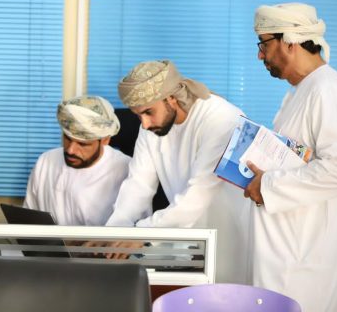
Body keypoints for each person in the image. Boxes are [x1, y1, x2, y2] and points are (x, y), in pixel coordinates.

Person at [246, 3, 337, 311]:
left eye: (263, 44)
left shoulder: (327, 90)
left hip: (309, 260)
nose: (260, 55)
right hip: (291, 251)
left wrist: (268, 186)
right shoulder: (302, 91)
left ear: (289, 41)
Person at [105, 60, 251, 283]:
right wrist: (112, 234)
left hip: (232, 236)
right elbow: (138, 185)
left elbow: (197, 196)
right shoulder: (151, 127)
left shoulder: (222, 119)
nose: (144, 124)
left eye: (148, 112)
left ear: (171, 98)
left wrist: (139, 234)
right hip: (190, 241)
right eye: (138, 116)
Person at [24, 95, 131, 225]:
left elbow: (134, 229)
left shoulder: (126, 170)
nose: (71, 150)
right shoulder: (46, 161)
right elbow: (28, 219)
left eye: (82, 144)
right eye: (67, 138)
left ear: (105, 140)